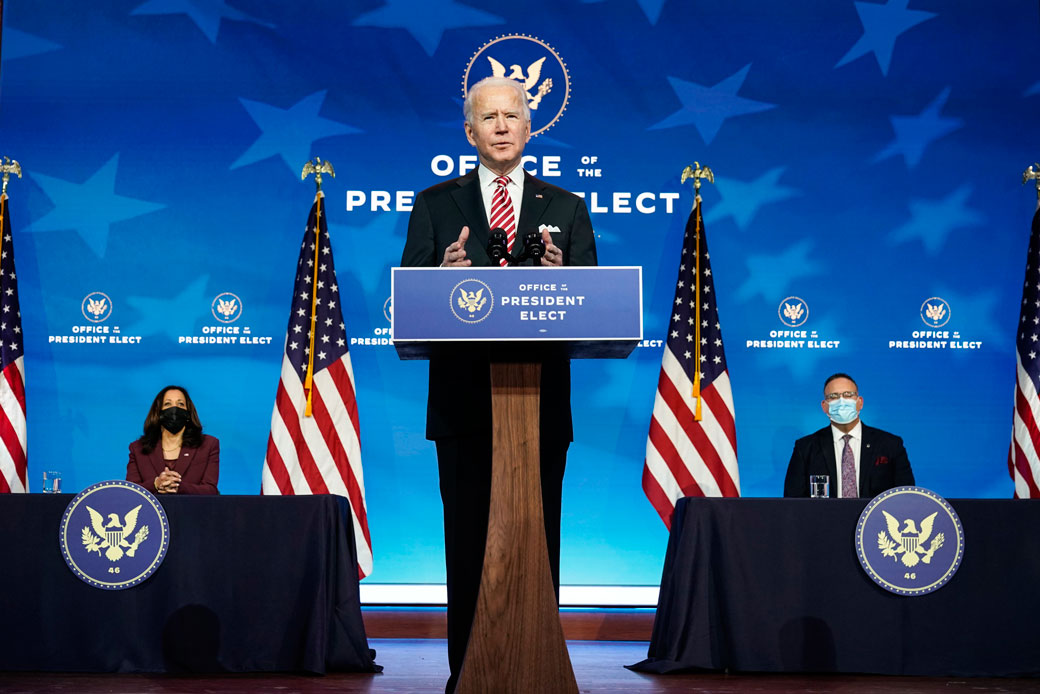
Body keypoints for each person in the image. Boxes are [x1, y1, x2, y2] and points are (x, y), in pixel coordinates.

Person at [400, 76, 597, 691]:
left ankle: (536, 668)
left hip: (539, 406)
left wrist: (564, 277)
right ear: (470, 132)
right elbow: (409, 300)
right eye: (490, 118)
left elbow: (593, 303)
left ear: (530, 128)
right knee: (467, 542)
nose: (503, 126)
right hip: (462, 404)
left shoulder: (565, 207)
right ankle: (468, 674)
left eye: (512, 116)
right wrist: (440, 274)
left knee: (537, 537)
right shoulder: (436, 205)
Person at [784, 373, 914, 498]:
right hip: (824, 514)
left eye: (848, 395)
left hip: (877, 514)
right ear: (824, 406)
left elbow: (907, 497)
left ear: (860, 402)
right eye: (833, 396)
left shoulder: (890, 445)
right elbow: (792, 504)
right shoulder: (805, 448)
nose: (841, 401)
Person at [126, 385, 219, 494]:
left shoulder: (208, 445)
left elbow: (210, 490)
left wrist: (178, 487)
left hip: (192, 505)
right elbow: (131, 491)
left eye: (181, 404)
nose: (174, 410)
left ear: (188, 412)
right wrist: (156, 484)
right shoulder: (138, 448)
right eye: (167, 404)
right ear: (158, 412)